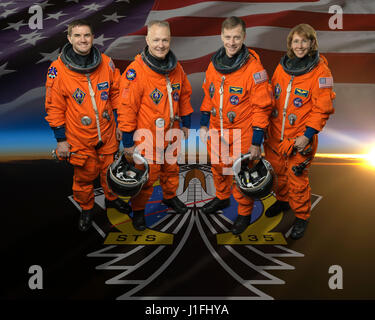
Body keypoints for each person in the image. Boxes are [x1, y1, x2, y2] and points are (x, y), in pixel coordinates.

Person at [45, 19, 131, 232]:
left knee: (110, 171)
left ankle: (111, 199)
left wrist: (120, 122)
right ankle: (86, 208)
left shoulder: (106, 62)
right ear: (69, 38)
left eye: (86, 35)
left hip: (108, 131)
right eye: (77, 35)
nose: (83, 40)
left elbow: (116, 93)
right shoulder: (58, 70)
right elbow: (54, 106)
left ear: (92, 37)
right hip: (79, 136)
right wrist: (61, 140)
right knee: (84, 177)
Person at [117, 20, 193, 231]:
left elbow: (184, 96)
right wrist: (127, 142)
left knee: (171, 169)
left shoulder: (176, 68)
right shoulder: (136, 72)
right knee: (146, 177)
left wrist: (186, 124)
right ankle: (139, 211)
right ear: (147, 40)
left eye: (165, 40)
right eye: (156, 40)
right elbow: (126, 109)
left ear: (170, 40)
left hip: (172, 132)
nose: (161, 45)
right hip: (145, 136)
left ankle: (169, 197)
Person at [199, 16, 272, 235]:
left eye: (236, 37)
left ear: (244, 37)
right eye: (228, 37)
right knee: (219, 169)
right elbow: (208, 95)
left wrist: (256, 141)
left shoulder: (254, 70)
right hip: (216, 129)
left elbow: (262, 108)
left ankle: (243, 213)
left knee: (243, 175)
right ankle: (221, 198)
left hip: (243, 132)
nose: (231, 42)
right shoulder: (214, 64)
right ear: (221, 36)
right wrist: (203, 125)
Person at [264, 23, 335, 239]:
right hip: (276, 136)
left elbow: (322, 109)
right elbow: (272, 98)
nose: (300, 46)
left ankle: (302, 217)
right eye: (296, 41)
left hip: (299, 139)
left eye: (304, 41)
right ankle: (283, 201)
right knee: (278, 175)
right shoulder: (283, 67)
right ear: (290, 44)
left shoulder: (321, 72)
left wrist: (307, 135)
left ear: (312, 43)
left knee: (297, 180)